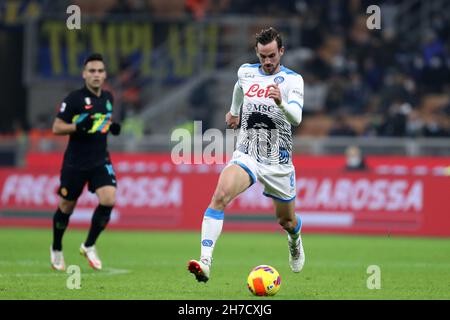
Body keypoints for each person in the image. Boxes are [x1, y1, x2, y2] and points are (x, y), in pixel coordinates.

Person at [188, 27, 305, 282]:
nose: (268, 61)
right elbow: (239, 87)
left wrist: (280, 103)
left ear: (281, 51)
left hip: (278, 160)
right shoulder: (246, 71)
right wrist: (233, 112)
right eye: (263, 56)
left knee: (286, 220)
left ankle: (295, 239)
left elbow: (296, 118)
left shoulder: (293, 80)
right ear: (257, 52)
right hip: (247, 152)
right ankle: (205, 262)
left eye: (272, 55)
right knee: (220, 195)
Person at [50, 53, 121, 271]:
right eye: (92, 71)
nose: (96, 75)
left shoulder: (108, 98)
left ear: (105, 74)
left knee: (108, 199)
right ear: (84, 74)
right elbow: (56, 127)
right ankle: (57, 248)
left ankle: (89, 245)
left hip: (100, 159)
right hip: (75, 162)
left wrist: (111, 127)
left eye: (100, 71)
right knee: (66, 206)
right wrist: (75, 127)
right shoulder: (74, 99)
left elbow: (101, 122)